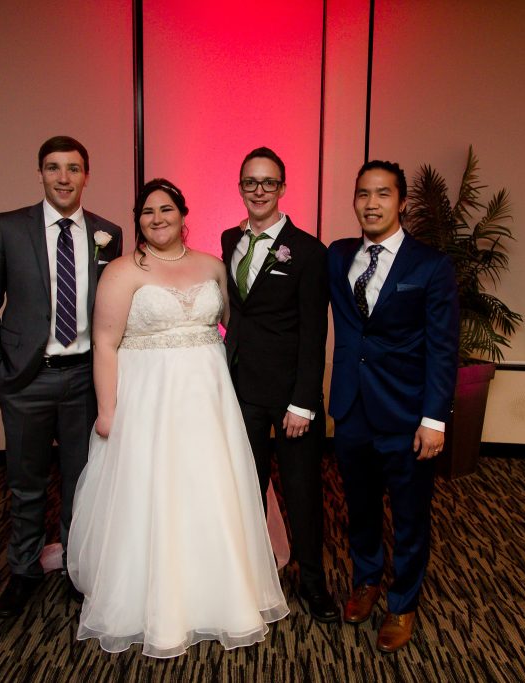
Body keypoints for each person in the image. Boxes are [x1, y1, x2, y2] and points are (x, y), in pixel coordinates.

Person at [66, 179, 288, 658]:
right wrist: (107, 410)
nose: (157, 218)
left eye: (166, 209)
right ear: (138, 221)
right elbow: (104, 343)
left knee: (211, 487)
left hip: (209, 399)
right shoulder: (123, 271)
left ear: (183, 215)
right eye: (147, 212)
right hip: (149, 399)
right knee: (155, 490)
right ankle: (154, 601)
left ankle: (220, 590)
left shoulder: (212, 265)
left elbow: (236, 328)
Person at [0, 136, 123, 617]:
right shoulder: (8, 227)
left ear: (86, 176)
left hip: (84, 379)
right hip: (25, 379)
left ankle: (77, 567)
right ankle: (23, 571)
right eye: (53, 168)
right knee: (26, 481)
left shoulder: (108, 233)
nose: (63, 177)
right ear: (39, 173)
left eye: (73, 168)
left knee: (82, 481)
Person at [327, 160, 459, 652]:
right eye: (363, 194)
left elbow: (443, 347)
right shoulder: (339, 256)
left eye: (383, 194)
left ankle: (402, 602)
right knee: (359, 508)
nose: (372, 203)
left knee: (409, 516)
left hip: (406, 414)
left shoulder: (430, 265)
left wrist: (434, 418)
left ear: (401, 202)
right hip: (352, 408)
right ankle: (366, 581)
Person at [220, 147, 337, 622]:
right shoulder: (230, 238)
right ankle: (250, 579)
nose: (259, 190)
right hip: (242, 390)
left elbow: (314, 331)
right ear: (240, 187)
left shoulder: (309, 251)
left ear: (283, 188)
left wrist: (304, 402)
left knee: (302, 492)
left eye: (268, 182)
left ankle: (313, 582)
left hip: (291, 396)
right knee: (245, 490)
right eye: (251, 182)